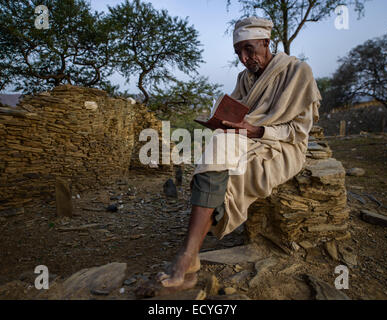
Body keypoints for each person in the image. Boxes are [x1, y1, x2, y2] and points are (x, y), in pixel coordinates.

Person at [136, 16, 321, 297]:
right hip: (245, 140)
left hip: (282, 146)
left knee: (220, 152)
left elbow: (298, 131)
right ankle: (190, 259)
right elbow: (237, 114)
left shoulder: (297, 72)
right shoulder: (245, 78)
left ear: (265, 42)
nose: (245, 59)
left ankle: (187, 260)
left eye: (249, 49)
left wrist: (256, 129)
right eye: (239, 54)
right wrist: (222, 122)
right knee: (219, 144)